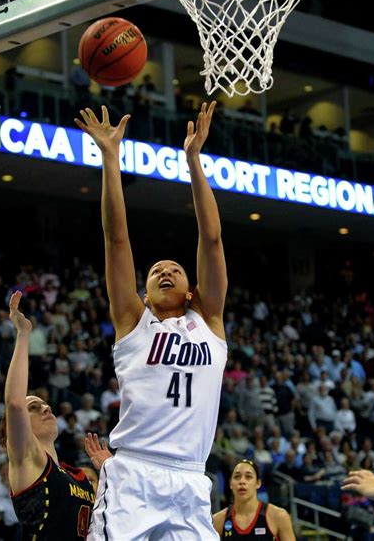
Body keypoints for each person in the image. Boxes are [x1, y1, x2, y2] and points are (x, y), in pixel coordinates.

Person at [75, 101, 228, 539]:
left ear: (192, 290)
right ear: (144, 294)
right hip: (135, 474)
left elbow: (212, 239)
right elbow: (116, 237)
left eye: (175, 270)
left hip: (191, 480)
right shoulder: (133, 322)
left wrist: (193, 162)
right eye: (156, 270)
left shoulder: (210, 325)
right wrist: (110, 158)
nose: (164, 271)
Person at [0, 291, 97, 539]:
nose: (46, 408)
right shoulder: (28, 459)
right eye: (33, 407)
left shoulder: (78, 476)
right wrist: (24, 334)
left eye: (45, 405)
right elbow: (14, 402)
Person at [213, 460, 295, 540]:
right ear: (230, 484)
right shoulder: (218, 520)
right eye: (237, 477)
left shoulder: (279, 516)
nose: (242, 481)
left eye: (248, 477)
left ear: (258, 483)